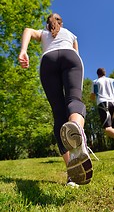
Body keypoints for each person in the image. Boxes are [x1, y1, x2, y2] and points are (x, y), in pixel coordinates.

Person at [18, 13, 93, 186]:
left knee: (58, 115)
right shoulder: (71, 34)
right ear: (61, 22)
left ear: (47, 24)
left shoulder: (44, 33)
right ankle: (76, 129)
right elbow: (77, 54)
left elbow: (28, 30)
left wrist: (24, 51)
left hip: (48, 61)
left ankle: (71, 173)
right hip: (71, 58)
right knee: (74, 99)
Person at [90, 68, 114, 159]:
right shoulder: (112, 80)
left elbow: (92, 96)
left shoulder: (95, 82)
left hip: (103, 104)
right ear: (105, 73)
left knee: (107, 129)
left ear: (97, 74)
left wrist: (92, 96)